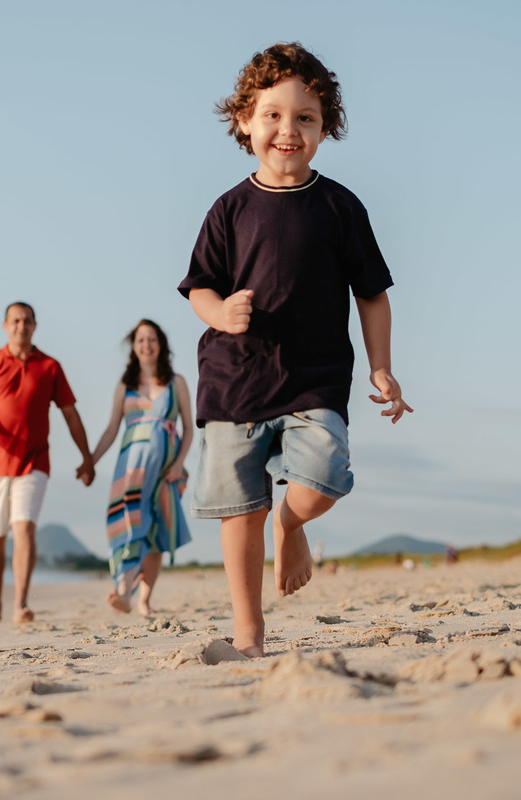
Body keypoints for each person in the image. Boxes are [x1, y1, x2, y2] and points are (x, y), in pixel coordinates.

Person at [178, 43, 412, 658]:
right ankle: (249, 632)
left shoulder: (340, 207)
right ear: (245, 121)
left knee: (323, 479)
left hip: (314, 377)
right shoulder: (228, 209)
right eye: (273, 115)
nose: (288, 129)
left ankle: (291, 522)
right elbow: (199, 285)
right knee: (240, 509)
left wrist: (382, 367)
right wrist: (220, 313)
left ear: (324, 128)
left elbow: (372, 294)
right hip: (234, 380)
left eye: (305, 117)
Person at [0, 301, 95, 625]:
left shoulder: (50, 366)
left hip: (34, 460)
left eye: (27, 321)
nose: (22, 326)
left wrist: (86, 457)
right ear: (5, 326)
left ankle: (20, 604)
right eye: (16, 320)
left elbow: (70, 415)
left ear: (35, 326)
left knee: (25, 527)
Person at [88, 320, 194, 616]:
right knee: (130, 522)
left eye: (152, 339)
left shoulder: (177, 382)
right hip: (130, 473)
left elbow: (189, 428)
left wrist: (179, 464)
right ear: (133, 347)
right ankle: (124, 591)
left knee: (157, 530)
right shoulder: (125, 386)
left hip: (164, 470)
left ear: (161, 345)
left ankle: (144, 599)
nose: (146, 345)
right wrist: (90, 462)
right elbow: (111, 430)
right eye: (141, 340)